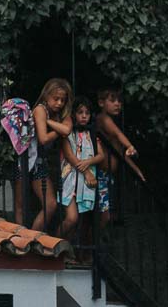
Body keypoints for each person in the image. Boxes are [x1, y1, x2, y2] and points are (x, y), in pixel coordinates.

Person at [13, 77, 72, 232]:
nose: (59, 103)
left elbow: (67, 130)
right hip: (27, 159)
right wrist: (57, 130)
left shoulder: (58, 115)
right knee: (20, 205)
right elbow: (43, 138)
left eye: (62, 100)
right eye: (56, 99)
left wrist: (50, 123)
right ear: (46, 96)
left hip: (39, 162)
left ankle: (33, 238)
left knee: (50, 204)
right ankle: (22, 243)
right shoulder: (40, 109)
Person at [95, 87, 145, 224]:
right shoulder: (103, 118)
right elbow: (118, 133)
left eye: (119, 101)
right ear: (101, 103)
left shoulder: (110, 126)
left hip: (108, 175)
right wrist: (130, 146)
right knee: (104, 215)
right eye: (112, 100)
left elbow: (121, 153)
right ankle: (95, 241)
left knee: (106, 214)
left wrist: (136, 171)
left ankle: (95, 239)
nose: (117, 104)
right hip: (100, 174)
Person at [58, 96, 105, 242]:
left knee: (82, 220)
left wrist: (89, 161)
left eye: (87, 113)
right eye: (80, 112)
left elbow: (101, 155)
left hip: (85, 183)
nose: (84, 116)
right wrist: (86, 171)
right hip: (70, 180)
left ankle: (71, 252)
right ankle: (52, 244)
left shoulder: (91, 134)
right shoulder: (68, 133)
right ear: (74, 114)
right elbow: (69, 156)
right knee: (72, 219)